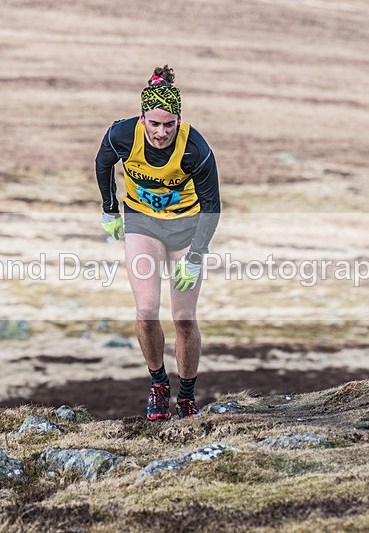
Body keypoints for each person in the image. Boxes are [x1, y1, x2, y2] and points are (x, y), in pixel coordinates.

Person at [94, 65, 221, 420]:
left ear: (179, 120)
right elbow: (102, 164)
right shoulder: (121, 135)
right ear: (142, 118)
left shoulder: (195, 148)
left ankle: (187, 397)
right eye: (154, 124)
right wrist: (109, 210)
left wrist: (196, 256)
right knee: (147, 310)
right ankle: (158, 385)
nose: (161, 132)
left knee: (184, 318)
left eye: (169, 124)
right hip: (142, 223)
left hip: (185, 229)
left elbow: (212, 207)